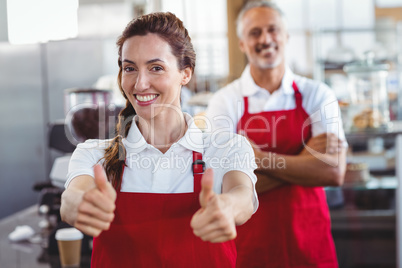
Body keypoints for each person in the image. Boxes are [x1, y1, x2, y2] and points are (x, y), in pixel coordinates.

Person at [60, 12, 258, 267]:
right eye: (130, 68)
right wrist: (81, 203)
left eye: (156, 68)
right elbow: (71, 199)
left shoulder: (227, 148)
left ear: (185, 73)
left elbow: (241, 194)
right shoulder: (93, 154)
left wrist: (227, 208)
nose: (140, 84)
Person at [205, 1, 347, 267]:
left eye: (273, 29)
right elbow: (222, 183)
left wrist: (253, 159)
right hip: (248, 248)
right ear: (242, 43)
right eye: (255, 32)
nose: (265, 39)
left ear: (286, 36)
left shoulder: (318, 94)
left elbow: (332, 172)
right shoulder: (224, 101)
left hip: (310, 245)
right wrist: (304, 162)